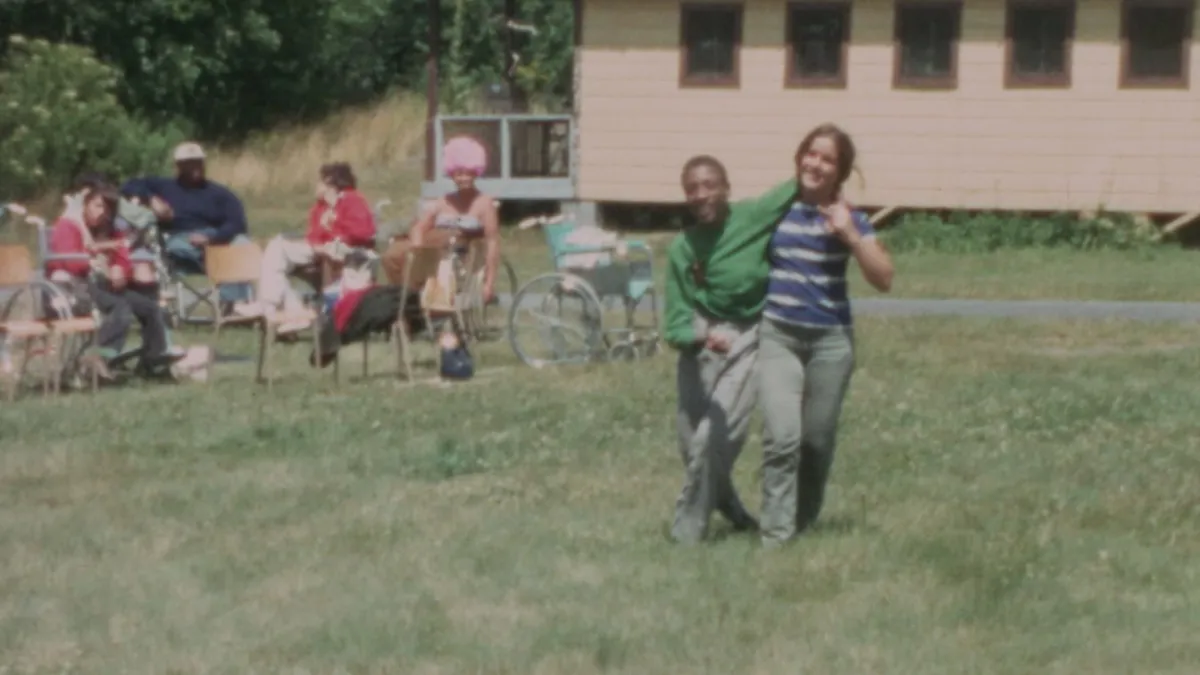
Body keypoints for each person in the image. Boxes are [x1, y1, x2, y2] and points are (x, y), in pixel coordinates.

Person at [757, 123, 895, 548]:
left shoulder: (850, 217)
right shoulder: (775, 209)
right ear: (799, 158)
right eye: (810, 154)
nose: (815, 164)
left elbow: (884, 278)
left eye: (827, 159)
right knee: (782, 437)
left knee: (816, 441)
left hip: (830, 341)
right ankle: (775, 536)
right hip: (777, 334)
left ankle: (802, 520)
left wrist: (850, 234)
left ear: (840, 171)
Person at [664, 155, 798, 545]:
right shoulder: (683, 249)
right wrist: (699, 338)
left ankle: (686, 535)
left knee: (713, 439)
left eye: (709, 185)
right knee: (692, 448)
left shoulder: (753, 216)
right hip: (701, 336)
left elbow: (795, 187)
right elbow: (675, 319)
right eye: (692, 188)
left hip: (748, 336)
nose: (701, 194)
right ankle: (735, 512)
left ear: (726, 188)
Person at [45, 183, 182, 380]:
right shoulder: (69, 225)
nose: (103, 212)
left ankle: (154, 359)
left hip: (102, 283)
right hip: (74, 286)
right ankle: (98, 356)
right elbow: (71, 263)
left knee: (150, 308)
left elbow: (122, 254)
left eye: (109, 208)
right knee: (121, 307)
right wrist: (98, 251)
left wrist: (120, 269)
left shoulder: (110, 227)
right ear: (86, 205)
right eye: (98, 206)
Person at [232, 162, 377, 334]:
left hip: (348, 252)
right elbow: (314, 236)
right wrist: (319, 241)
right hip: (321, 249)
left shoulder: (352, 200)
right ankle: (292, 312)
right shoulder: (320, 206)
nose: (316, 186)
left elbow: (364, 232)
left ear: (331, 183)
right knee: (277, 254)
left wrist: (335, 217)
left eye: (320, 182)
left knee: (277, 250)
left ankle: (269, 306)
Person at [120, 141, 253, 313]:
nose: (195, 167)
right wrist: (151, 198)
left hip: (215, 238)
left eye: (198, 162)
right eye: (189, 163)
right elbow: (129, 185)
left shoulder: (219, 193)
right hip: (178, 238)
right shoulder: (164, 186)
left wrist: (213, 239)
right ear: (179, 166)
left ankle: (234, 304)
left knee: (242, 243)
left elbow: (237, 222)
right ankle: (233, 301)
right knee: (187, 247)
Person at [381, 136, 500, 304]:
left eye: (468, 173)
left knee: (416, 261)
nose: (464, 178)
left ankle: (413, 297)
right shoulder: (444, 201)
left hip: (459, 252)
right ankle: (406, 298)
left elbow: (492, 242)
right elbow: (420, 227)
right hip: (430, 247)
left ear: (476, 172)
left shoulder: (484, 203)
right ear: (452, 174)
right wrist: (417, 244)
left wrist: (489, 283)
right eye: (459, 174)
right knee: (391, 256)